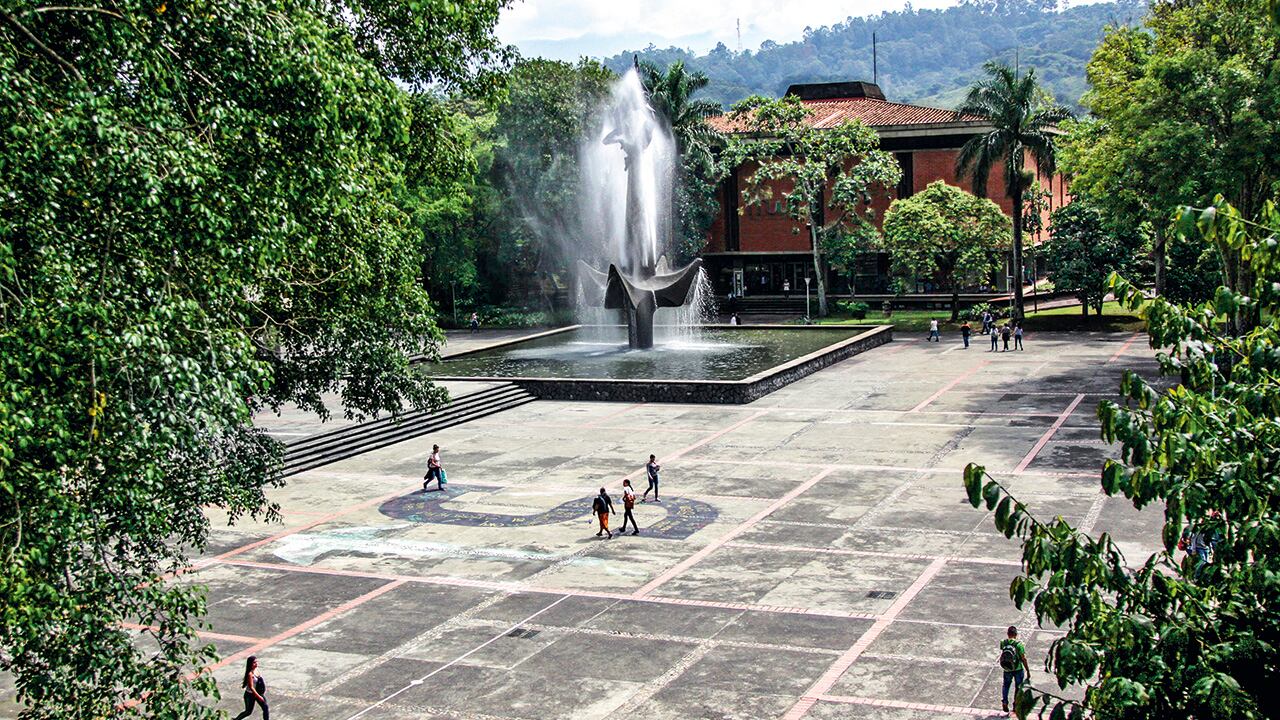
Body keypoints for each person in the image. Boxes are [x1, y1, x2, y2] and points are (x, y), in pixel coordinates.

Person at [998, 626, 1031, 713]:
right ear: (1016, 634)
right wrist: (1027, 670)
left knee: (1006, 685)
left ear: (1008, 634)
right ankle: (1015, 704)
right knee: (1018, 687)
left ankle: (1004, 701)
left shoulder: (1003, 642)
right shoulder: (1019, 645)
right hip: (1018, 669)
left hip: (1007, 669)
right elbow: (1023, 658)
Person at [234, 656, 269, 720]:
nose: (256, 664)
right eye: (254, 662)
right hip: (250, 695)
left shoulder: (256, 670)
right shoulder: (250, 674)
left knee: (265, 708)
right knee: (248, 712)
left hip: (258, 693)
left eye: (256, 662)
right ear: (250, 664)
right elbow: (251, 687)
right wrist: (259, 697)